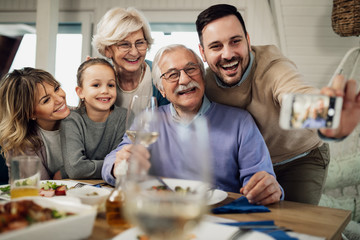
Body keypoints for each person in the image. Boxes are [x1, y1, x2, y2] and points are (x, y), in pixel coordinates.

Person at [196, 4, 360, 205]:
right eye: (216, 46)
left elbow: (295, 98)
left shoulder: (273, 67)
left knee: (297, 224)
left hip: (299, 158)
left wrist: (328, 116)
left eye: (235, 41)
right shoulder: (205, 83)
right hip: (251, 165)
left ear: (247, 40)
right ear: (203, 53)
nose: (228, 54)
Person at [103, 44, 283, 205]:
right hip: (162, 213)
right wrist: (117, 167)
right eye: (172, 75)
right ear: (161, 90)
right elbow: (112, 161)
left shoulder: (240, 122)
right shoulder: (148, 121)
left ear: (203, 76)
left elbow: (262, 181)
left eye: (191, 69)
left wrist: (268, 189)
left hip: (222, 214)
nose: (184, 80)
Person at [60, 58, 127, 179]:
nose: (105, 91)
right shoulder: (71, 120)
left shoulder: (124, 117)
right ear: (80, 92)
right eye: (96, 85)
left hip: (111, 186)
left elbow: (123, 163)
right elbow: (76, 169)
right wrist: (111, 167)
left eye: (111, 85)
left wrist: (119, 166)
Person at [92, 7, 169, 112]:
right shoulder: (100, 79)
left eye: (140, 43)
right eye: (124, 44)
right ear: (108, 50)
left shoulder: (161, 74)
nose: (134, 52)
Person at [0, 67, 71, 180]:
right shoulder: (19, 143)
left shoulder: (82, 118)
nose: (60, 99)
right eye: (46, 100)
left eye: (57, 88)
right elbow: (37, 188)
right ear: (30, 113)